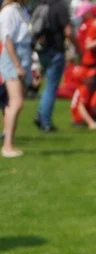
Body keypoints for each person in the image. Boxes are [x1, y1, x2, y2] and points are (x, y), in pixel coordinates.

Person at [32, 0, 70, 132]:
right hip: (55, 49)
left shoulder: (42, 4)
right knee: (51, 87)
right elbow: (68, 31)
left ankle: (41, 114)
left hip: (43, 50)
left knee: (46, 85)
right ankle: (45, 121)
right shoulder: (60, 6)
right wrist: (78, 48)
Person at [0, 0, 31, 157]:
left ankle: (9, 142)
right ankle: (7, 146)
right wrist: (17, 65)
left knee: (16, 102)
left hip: (22, 53)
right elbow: (7, 39)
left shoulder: (21, 9)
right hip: (13, 56)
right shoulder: (9, 11)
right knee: (16, 101)